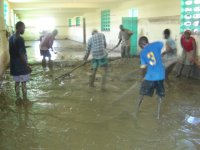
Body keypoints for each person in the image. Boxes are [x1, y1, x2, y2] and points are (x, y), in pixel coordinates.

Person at [136, 36, 165, 119]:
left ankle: (136, 111)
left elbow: (143, 67)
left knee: (141, 94)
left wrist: (141, 77)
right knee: (160, 95)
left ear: (141, 44)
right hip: (161, 75)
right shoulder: (157, 44)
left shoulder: (142, 53)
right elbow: (163, 45)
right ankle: (158, 115)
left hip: (150, 77)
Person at [9, 21, 32, 105]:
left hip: (13, 64)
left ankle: (18, 100)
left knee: (17, 82)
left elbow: (13, 50)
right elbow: (21, 54)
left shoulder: (11, 38)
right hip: (21, 65)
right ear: (19, 27)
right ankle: (25, 100)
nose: (24, 29)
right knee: (23, 83)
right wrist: (27, 66)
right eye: (23, 27)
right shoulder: (20, 39)